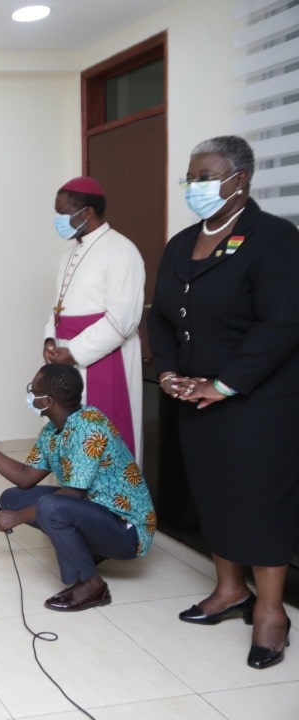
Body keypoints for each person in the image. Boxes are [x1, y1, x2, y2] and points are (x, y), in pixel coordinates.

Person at [148, 135, 299, 669]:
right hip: (195, 397)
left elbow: (281, 323)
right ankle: (230, 589)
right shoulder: (181, 242)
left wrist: (225, 383)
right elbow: (161, 316)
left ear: (240, 179)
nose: (195, 186)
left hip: (258, 402)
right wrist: (168, 371)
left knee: (260, 501)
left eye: (205, 176)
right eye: (191, 177)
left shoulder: (275, 238)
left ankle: (272, 613)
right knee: (212, 494)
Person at [0, 364, 155, 611]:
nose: (30, 395)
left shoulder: (89, 426)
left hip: (127, 531)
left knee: (50, 506)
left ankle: (91, 586)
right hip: (96, 511)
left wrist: (16, 519)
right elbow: (26, 478)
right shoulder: (52, 431)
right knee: (14, 498)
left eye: (33, 391)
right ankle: (90, 549)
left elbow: (73, 494)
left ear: (47, 400)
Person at [44, 176, 145, 462]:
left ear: (86, 212)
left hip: (104, 360)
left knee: (103, 441)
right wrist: (50, 338)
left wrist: (74, 351)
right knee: (72, 439)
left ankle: (108, 504)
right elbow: (57, 307)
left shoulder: (122, 250)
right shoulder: (69, 254)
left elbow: (123, 320)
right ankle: (70, 501)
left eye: (62, 212)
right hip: (66, 359)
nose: (58, 219)